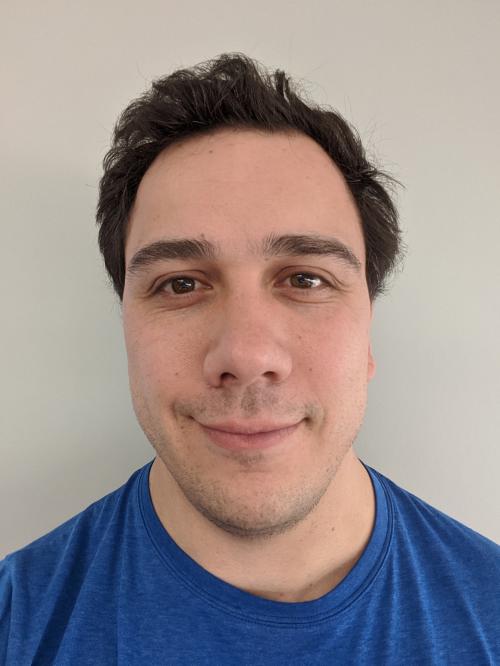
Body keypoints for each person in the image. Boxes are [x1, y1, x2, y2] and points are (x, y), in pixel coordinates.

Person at [1, 52, 498, 665]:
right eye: (181, 284)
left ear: (368, 330)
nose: (246, 354)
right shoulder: (17, 624)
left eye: (305, 279)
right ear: (125, 325)